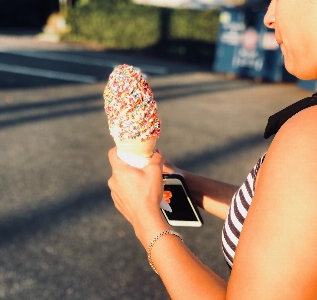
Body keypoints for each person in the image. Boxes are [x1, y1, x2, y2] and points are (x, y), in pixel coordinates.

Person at [107, 0, 317, 299]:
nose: (269, 18)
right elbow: (286, 225)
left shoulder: (310, 137)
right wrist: (181, 180)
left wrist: (146, 220)